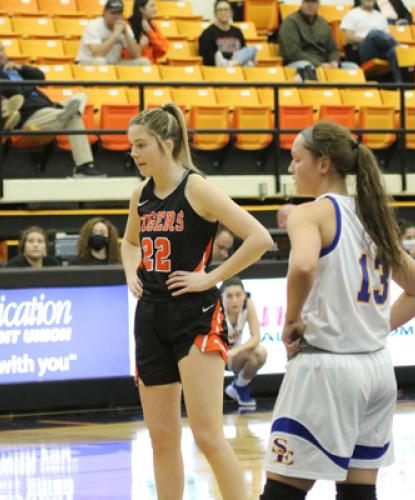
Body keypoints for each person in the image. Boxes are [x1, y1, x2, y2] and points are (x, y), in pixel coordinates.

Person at [260, 121, 415, 500]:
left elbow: (302, 266)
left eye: (295, 159)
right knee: (357, 492)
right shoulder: (373, 216)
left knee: (282, 490)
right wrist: (371, 329)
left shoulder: (311, 214)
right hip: (378, 371)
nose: (290, 169)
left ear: (323, 164)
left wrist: (291, 321)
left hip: (327, 370)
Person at [121, 102, 273, 500]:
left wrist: (211, 276)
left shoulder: (196, 187)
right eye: (131, 146)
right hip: (150, 315)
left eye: (141, 145)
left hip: (195, 314)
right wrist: (131, 273)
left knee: (207, 435)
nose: (133, 154)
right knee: (162, 440)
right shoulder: (141, 193)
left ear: (167, 144)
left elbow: (259, 238)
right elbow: (128, 243)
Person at [0, 39, 104, 177]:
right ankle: (84, 167)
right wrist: (28, 85)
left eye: (0, 50)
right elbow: (16, 92)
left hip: (48, 109)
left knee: (81, 96)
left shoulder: (17, 70)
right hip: (30, 116)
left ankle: (65, 113)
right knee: (73, 117)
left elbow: (40, 77)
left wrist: (20, 68)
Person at [278, 0, 358, 75]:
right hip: (298, 63)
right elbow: (293, 53)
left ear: (318, 4)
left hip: (324, 63)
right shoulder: (290, 22)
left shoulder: (323, 22)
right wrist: (319, 64)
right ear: (302, 3)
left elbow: (333, 49)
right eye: (307, 1)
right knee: (307, 66)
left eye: (314, 2)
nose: (310, 5)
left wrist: (334, 62)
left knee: (353, 67)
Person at [222, 276, 267, 406]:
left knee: (260, 353)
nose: (235, 300)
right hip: (214, 355)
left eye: (238, 295)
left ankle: (239, 386)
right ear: (221, 297)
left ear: (244, 295)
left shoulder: (248, 303)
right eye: (229, 296)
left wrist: (236, 351)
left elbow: (256, 337)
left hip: (233, 355)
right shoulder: (215, 308)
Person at [341, 0, 402, 82]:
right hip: (363, 50)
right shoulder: (352, 14)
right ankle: (399, 47)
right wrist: (367, 39)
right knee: (373, 34)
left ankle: (400, 88)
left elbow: (387, 37)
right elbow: (348, 38)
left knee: (394, 51)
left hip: (381, 51)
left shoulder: (380, 16)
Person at [76, 0, 150, 66]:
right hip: (88, 62)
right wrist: (115, 34)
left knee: (144, 62)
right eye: (113, 13)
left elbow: (136, 55)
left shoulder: (124, 26)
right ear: (104, 13)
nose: (116, 16)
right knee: (100, 61)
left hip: (114, 63)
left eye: (119, 13)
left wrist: (126, 33)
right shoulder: (94, 26)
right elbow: (97, 54)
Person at [198, 0, 256, 67]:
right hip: (218, 68)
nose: (223, 12)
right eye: (220, 10)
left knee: (252, 49)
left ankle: (231, 64)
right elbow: (207, 59)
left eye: (226, 10)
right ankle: (227, 64)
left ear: (231, 13)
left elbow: (243, 51)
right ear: (215, 14)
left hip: (236, 63)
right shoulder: (208, 33)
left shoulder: (237, 31)